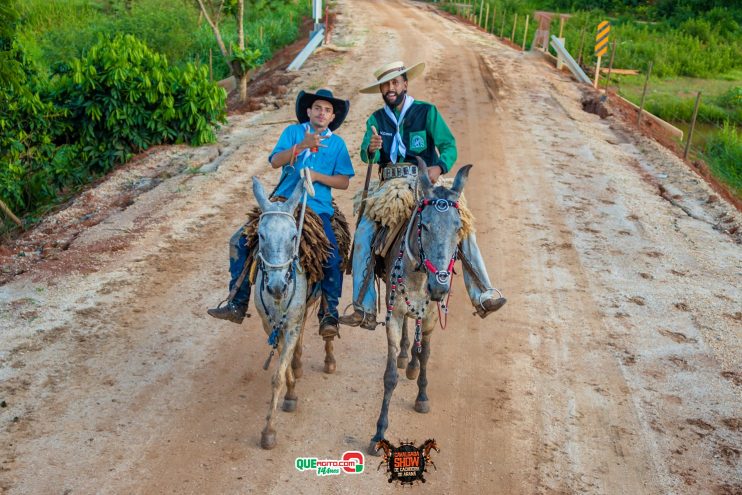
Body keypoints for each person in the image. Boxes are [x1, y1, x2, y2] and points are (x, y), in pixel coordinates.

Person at [339, 61, 506, 330]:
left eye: (396, 82)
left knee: (461, 224)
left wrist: (438, 167)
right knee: (363, 233)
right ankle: (364, 307)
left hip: (426, 184)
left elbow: (448, 146)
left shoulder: (427, 112)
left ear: (405, 84)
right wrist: (371, 150)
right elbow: (365, 155)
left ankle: (483, 293)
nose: (391, 88)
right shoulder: (375, 120)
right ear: (381, 89)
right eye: (386, 84)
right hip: (389, 187)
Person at [208, 89, 354, 338]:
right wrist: (301, 147)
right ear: (308, 111)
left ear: (332, 117)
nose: (321, 113)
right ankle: (237, 302)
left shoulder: (337, 144)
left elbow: (343, 182)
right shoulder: (293, 133)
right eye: (317, 108)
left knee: (332, 254)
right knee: (240, 241)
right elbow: (275, 161)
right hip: (282, 204)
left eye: (327, 110)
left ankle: (329, 313)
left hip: (316, 209)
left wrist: (317, 177)